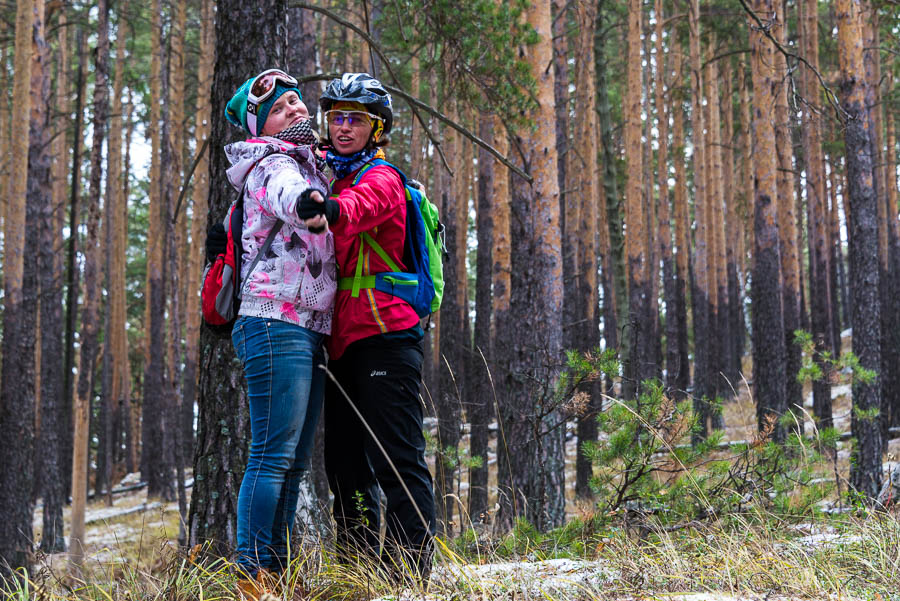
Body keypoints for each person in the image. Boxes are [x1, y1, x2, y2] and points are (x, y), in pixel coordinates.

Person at [298, 73, 436, 583]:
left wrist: (331, 208)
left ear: (377, 128)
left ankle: (405, 579)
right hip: (340, 345)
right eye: (336, 117)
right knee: (344, 466)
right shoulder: (327, 176)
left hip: (386, 337)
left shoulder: (381, 177)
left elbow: (364, 207)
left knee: (397, 460)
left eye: (356, 118)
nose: (344, 127)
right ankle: (358, 575)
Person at [223, 68, 336, 595]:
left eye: (295, 101)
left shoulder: (311, 163)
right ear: (259, 126)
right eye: (278, 107)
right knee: (271, 457)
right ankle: (251, 576)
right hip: (273, 321)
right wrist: (310, 205)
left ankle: (277, 574)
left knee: (291, 464)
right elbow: (288, 194)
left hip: (308, 326)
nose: (294, 108)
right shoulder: (271, 164)